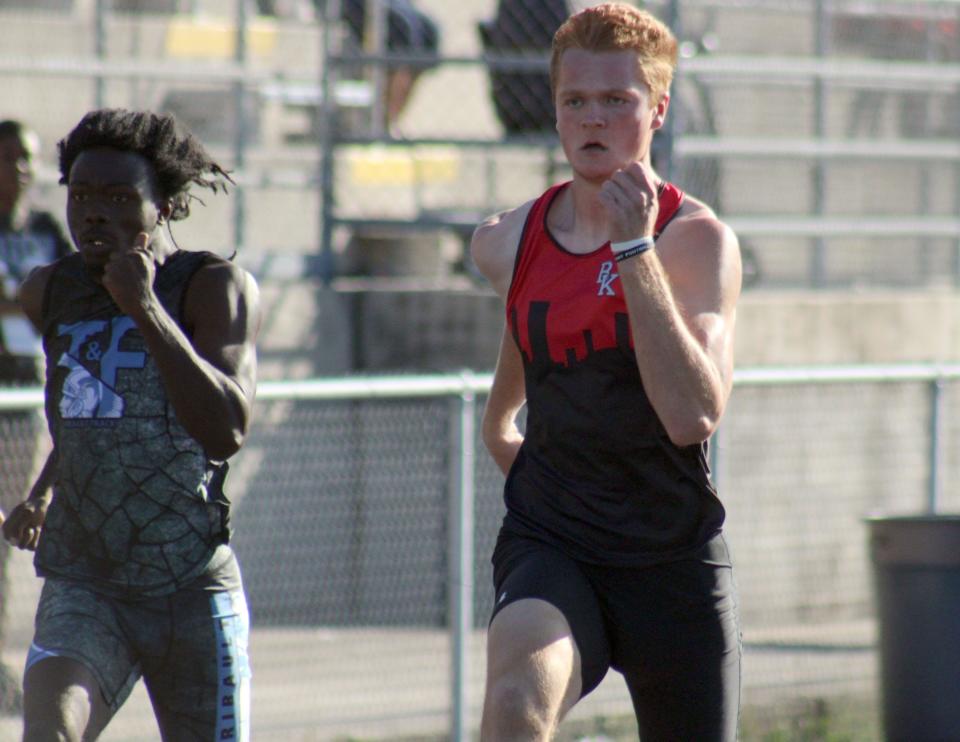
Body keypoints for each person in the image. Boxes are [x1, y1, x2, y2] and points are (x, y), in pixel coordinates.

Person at [470, 4, 742, 740]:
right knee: (515, 707)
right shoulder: (505, 241)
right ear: (555, 112)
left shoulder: (696, 241)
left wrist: (633, 250)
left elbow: (692, 415)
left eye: (617, 101)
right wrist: (520, 447)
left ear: (656, 111)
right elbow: (518, 369)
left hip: (670, 557)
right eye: (575, 101)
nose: (593, 119)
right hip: (554, 541)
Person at [1, 108, 261, 742]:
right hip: (85, 584)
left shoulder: (211, 287)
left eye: (119, 198)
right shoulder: (49, 291)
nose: (93, 213)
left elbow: (225, 428)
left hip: (189, 586)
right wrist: (41, 492)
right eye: (81, 195)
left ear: (164, 207)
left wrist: (144, 308)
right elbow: (94, 410)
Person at [0, 119, 73, 715]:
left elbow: (67, 291)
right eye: (8, 159)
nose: (19, 170)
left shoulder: (46, 229)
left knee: (7, 526)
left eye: (26, 159)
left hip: (24, 399)